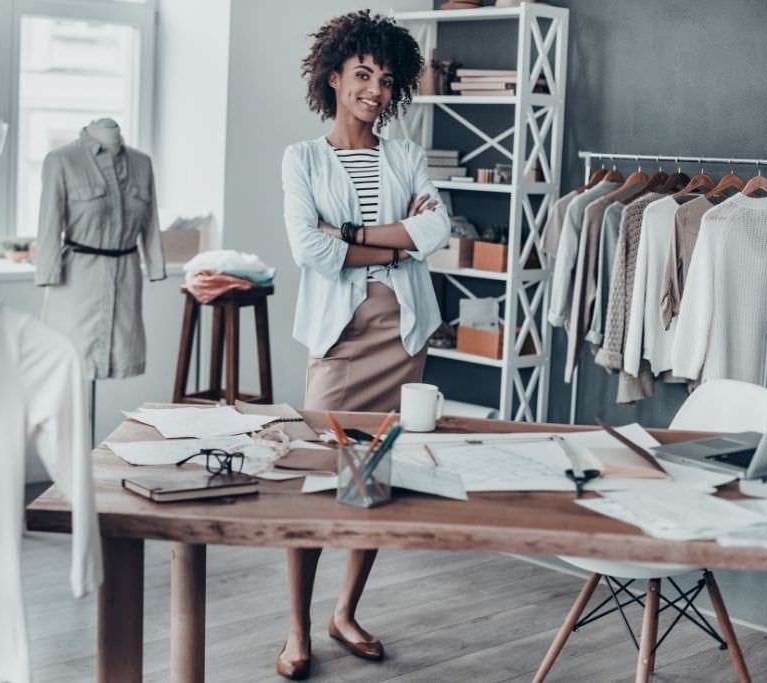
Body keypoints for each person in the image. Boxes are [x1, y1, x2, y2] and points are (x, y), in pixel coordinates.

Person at [278, 10, 450, 679]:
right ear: (334, 76)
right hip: (341, 343)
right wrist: (397, 238)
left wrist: (351, 231)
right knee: (318, 485)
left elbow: (437, 231)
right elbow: (309, 249)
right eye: (362, 74)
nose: (375, 90)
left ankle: (344, 612)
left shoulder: (405, 156)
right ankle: (297, 629)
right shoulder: (303, 159)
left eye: (386, 79)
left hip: (402, 339)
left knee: (372, 484)